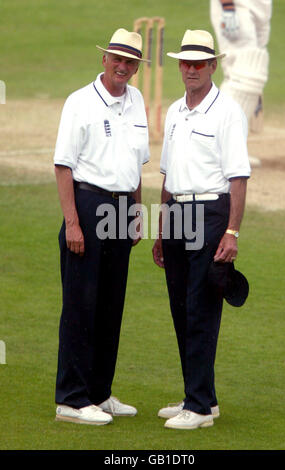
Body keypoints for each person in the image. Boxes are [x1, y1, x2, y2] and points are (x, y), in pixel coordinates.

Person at [152, 29, 251, 430]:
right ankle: (202, 398)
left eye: (200, 63)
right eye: (186, 63)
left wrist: (233, 232)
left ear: (213, 65)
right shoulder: (175, 111)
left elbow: (238, 177)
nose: (192, 69)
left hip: (211, 214)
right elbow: (166, 174)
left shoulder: (228, 111)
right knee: (181, 308)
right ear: (180, 66)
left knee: (201, 308)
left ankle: (197, 407)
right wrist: (161, 228)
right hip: (176, 213)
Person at [54, 28, 150, 425]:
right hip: (88, 205)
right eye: (117, 59)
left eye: (130, 62)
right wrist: (72, 223)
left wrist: (138, 212)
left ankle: (99, 393)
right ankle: (71, 400)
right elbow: (63, 166)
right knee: (81, 306)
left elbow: (136, 163)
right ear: (105, 59)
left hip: (123, 209)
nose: (123, 67)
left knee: (111, 306)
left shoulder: (138, 101)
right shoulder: (79, 102)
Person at [210, 0, 273, 163]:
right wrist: (228, 7)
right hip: (237, 6)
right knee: (246, 71)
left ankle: (232, 147)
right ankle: (219, 148)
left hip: (261, 7)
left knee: (250, 66)